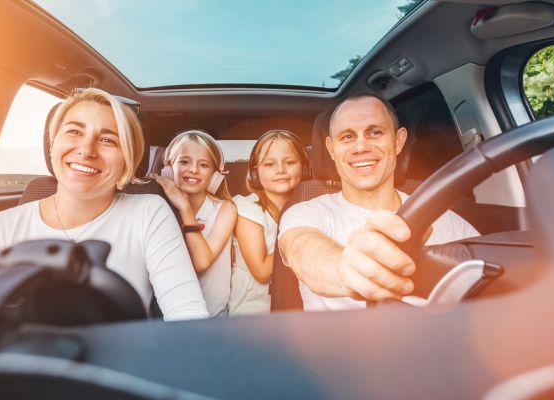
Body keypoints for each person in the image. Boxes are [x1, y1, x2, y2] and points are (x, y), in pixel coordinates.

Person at [0, 88, 209, 321]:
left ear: (129, 160)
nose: (86, 149)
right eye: (74, 132)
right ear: (53, 143)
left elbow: (187, 312)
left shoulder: (149, 212)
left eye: (108, 140)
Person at [278, 94, 479, 311]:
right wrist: (344, 269)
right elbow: (301, 249)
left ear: (398, 141)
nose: (361, 147)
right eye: (347, 137)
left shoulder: (444, 220)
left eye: (375, 132)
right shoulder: (305, 212)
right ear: (331, 149)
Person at [155, 130, 238, 317]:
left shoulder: (225, 209)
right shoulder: (156, 206)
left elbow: (202, 262)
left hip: (214, 315)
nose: (193, 170)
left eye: (204, 165)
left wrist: (184, 207)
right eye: (184, 162)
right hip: (169, 314)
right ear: (168, 168)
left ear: (216, 175)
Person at [229, 130, 309, 315]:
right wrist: (301, 243)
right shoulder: (247, 208)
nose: (280, 170)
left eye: (289, 163)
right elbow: (263, 270)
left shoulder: (310, 207)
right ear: (255, 173)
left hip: (298, 310)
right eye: (269, 164)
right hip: (253, 311)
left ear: (304, 168)